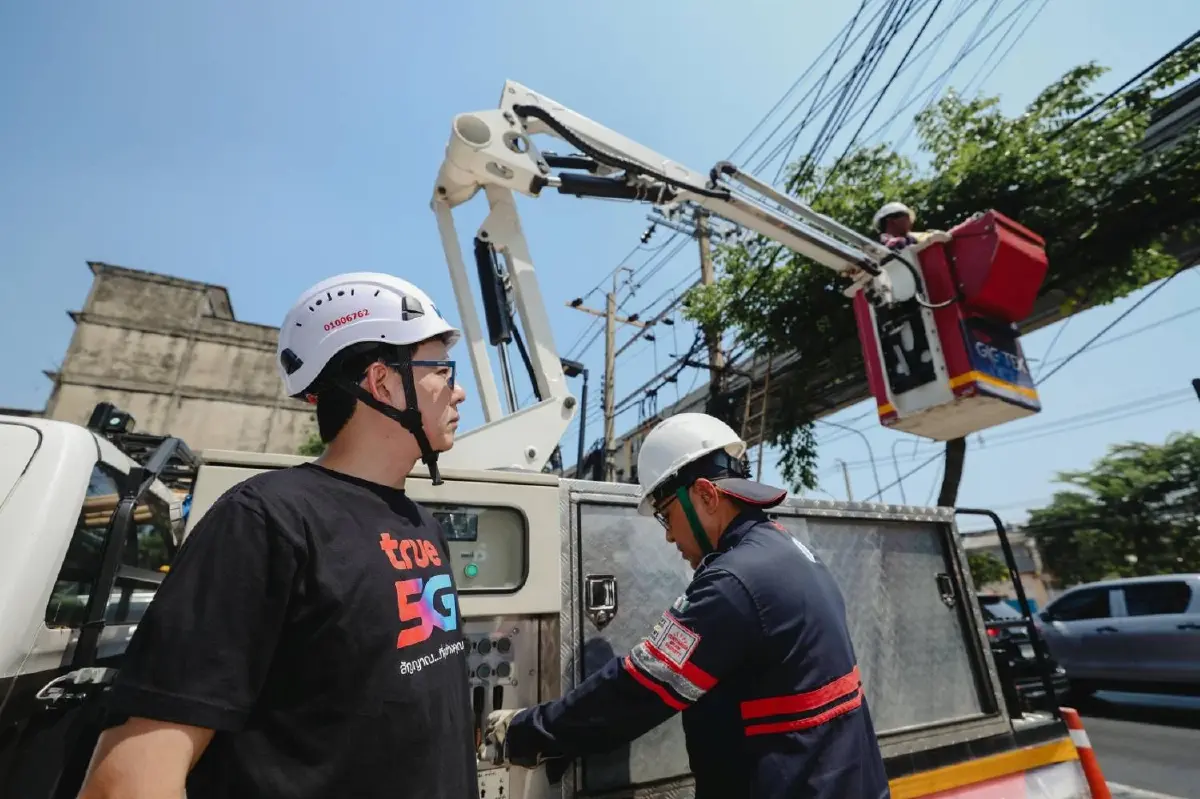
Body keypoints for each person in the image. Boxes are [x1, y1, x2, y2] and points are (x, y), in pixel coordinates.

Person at [78, 273, 477, 799]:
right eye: (441, 371)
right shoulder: (265, 520)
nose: (460, 390)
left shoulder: (419, 523)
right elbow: (127, 780)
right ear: (383, 383)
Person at [481, 413, 890, 798]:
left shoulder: (735, 582)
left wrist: (528, 730)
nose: (668, 537)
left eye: (665, 515)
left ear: (705, 495)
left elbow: (642, 687)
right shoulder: (785, 548)